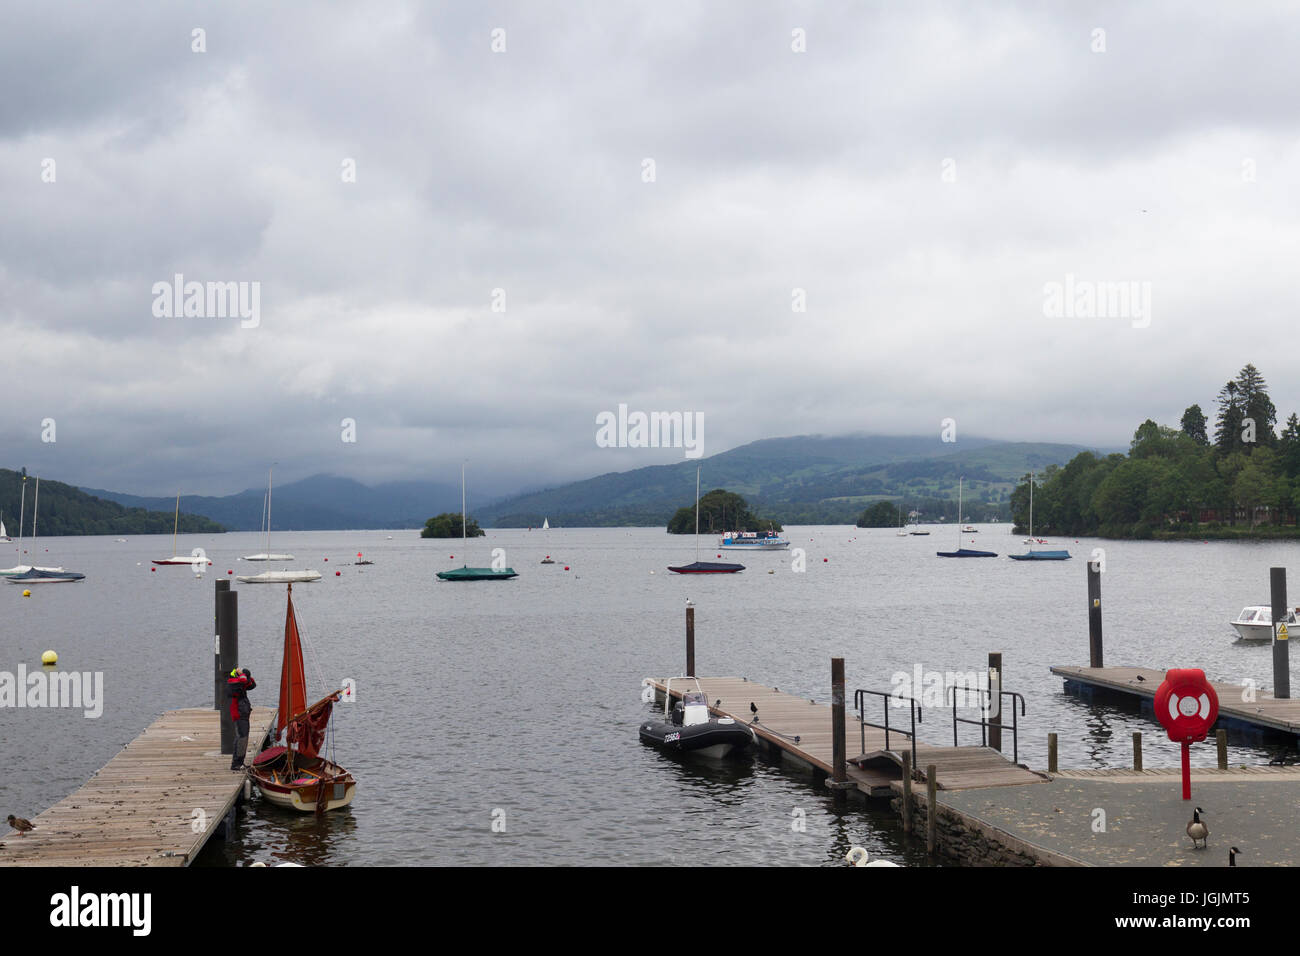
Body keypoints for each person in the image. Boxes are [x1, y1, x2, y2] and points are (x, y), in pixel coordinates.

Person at [227, 667, 256, 771]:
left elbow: (252, 685)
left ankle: (240, 762)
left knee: (243, 738)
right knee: (241, 738)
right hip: (238, 714)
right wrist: (242, 673)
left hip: (243, 714)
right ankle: (236, 764)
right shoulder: (233, 682)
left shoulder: (239, 682)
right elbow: (243, 680)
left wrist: (248, 675)